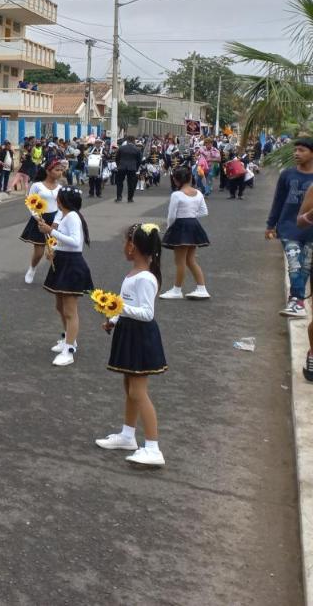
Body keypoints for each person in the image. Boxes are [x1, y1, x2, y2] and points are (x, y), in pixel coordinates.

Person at [95, 223, 168, 467]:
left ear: (133, 247)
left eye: (125, 242)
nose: (123, 247)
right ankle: (128, 435)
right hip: (128, 332)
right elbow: (129, 304)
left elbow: (147, 313)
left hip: (141, 336)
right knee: (129, 387)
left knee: (138, 391)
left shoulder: (145, 278)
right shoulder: (134, 274)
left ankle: (153, 447)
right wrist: (114, 319)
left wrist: (118, 307)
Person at [40, 187, 93, 367]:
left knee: (70, 311)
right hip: (63, 261)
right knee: (59, 306)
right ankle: (69, 338)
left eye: (59, 198)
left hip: (72, 265)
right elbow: (66, 241)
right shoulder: (66, 216)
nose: (57, 200)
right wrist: (54, 250)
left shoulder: (72, 217)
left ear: (63, 201)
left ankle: (69, 350)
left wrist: (50, 230)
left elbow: (75, 242)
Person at [266, 138, 313, 318]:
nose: (296, 153)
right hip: (288, 227)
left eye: (302, 150)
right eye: (295, 150)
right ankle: (298, 301)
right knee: (294, 263)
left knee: (305, 266)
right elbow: (278, 201)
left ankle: (297, 302)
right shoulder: (287, 174)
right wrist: (271, 225)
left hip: (310, 231)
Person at [160, 166, 210, 300]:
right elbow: (204, 211)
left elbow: (171, 216)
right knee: (190, 260)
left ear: (176, 181)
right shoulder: (198, 193)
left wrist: (170, 229)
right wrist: (191, 215)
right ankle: (202, 288)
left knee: (180, 261)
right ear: (190, 177)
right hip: (194, 225)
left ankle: (177, 290)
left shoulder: (176, 195)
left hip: (180, 226)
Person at [21, 159, 66, 284]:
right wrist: (37, 217)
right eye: (57, 170)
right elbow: (31, 202)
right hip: (40, 219)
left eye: (61, 170)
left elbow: (62, 207)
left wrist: (56, 222)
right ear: (48, 171)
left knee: (55, 249)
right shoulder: (37, 186)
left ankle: (55, 274)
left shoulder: (60, 188)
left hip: (56, 219)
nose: (60, 173)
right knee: (39, 250)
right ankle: (32, 268)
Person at [114, 138, 143, 203]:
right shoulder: (137, 149)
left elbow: (117, 158)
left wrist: (118, 165)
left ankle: (119, 197)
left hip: (122, 167)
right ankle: (130, 198)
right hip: (132, 168)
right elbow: (139, 161)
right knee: (131, 183)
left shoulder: (121, 148)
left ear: (127, 141)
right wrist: (136, 168)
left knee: (119, 182)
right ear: (133, 141)